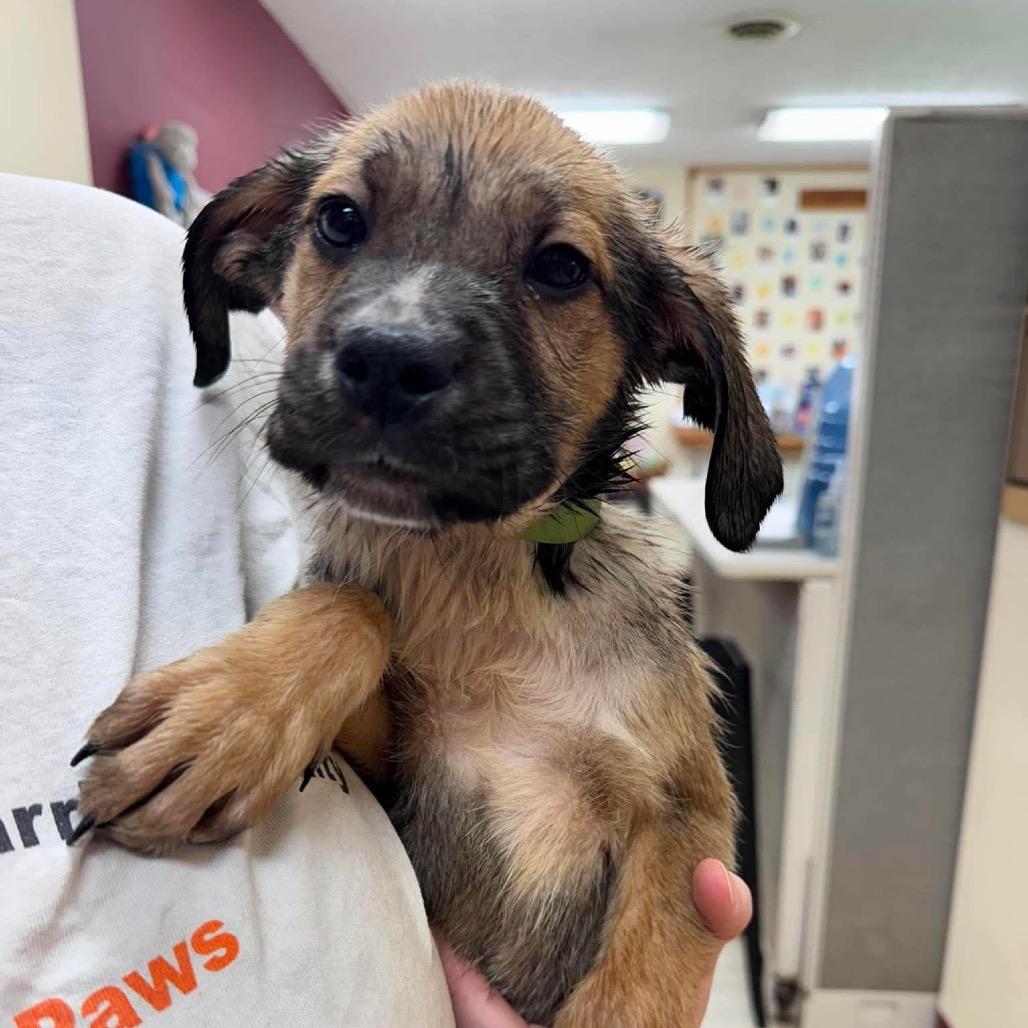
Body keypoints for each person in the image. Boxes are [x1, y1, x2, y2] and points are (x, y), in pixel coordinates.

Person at [0, 172, 748, 1026]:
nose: (399, 330)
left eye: (556, 269)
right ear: (263, 250)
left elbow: (686, 824)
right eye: (344, 224)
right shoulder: (356, 580)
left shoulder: (622, 632)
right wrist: (323, 639)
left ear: (664, 334)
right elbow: (370, 774)